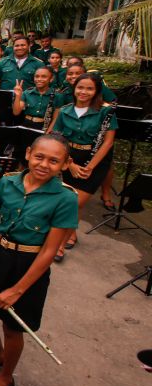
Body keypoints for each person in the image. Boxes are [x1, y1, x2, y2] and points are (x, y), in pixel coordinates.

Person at [0, 134, 78, 386]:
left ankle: (6, 377)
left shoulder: (66, 198)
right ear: (28, 153)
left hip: (29, 267)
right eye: (39, 156)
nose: (44, 164)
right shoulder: (7, 183)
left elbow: (49, 252)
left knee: (12, 326)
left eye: (54, 161)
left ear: (65, 165)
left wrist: (17, 291)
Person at [49, 73, 117, 261]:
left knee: (74, 202)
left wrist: (89, 167)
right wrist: (70, 164)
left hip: (94, 161)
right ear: (74, 88)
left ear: (96, 91)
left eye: (89, 88)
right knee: (71, 201)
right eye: (80, 87)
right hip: (70, 158)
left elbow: (108, 142)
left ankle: (59, 245)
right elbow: (58, 138)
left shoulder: (106, 111)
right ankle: (70, 233)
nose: (83, 92)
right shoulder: (64, 111)